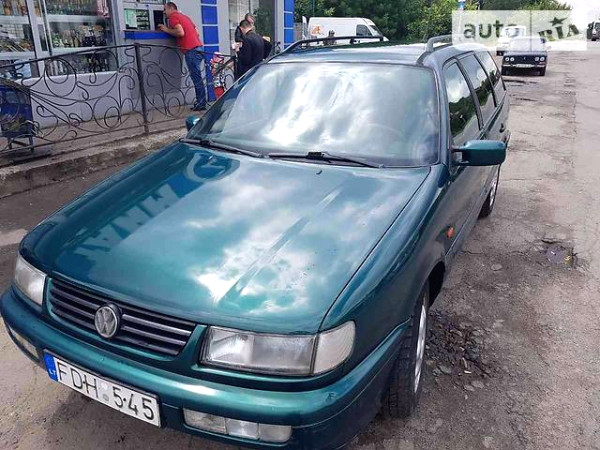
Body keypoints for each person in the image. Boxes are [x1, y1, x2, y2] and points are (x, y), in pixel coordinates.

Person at [158, 2, 206, 111]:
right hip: (198, 48)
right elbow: (197, 33)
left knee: (196, 78)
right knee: (197, 77)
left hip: (191, 50)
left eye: (165, 9)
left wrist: (166, 29)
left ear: (171, 9)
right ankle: (201, 101)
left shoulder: (173, 17)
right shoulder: (185, 17)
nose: (164, 12)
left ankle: (201, 103)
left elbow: (180, 32)